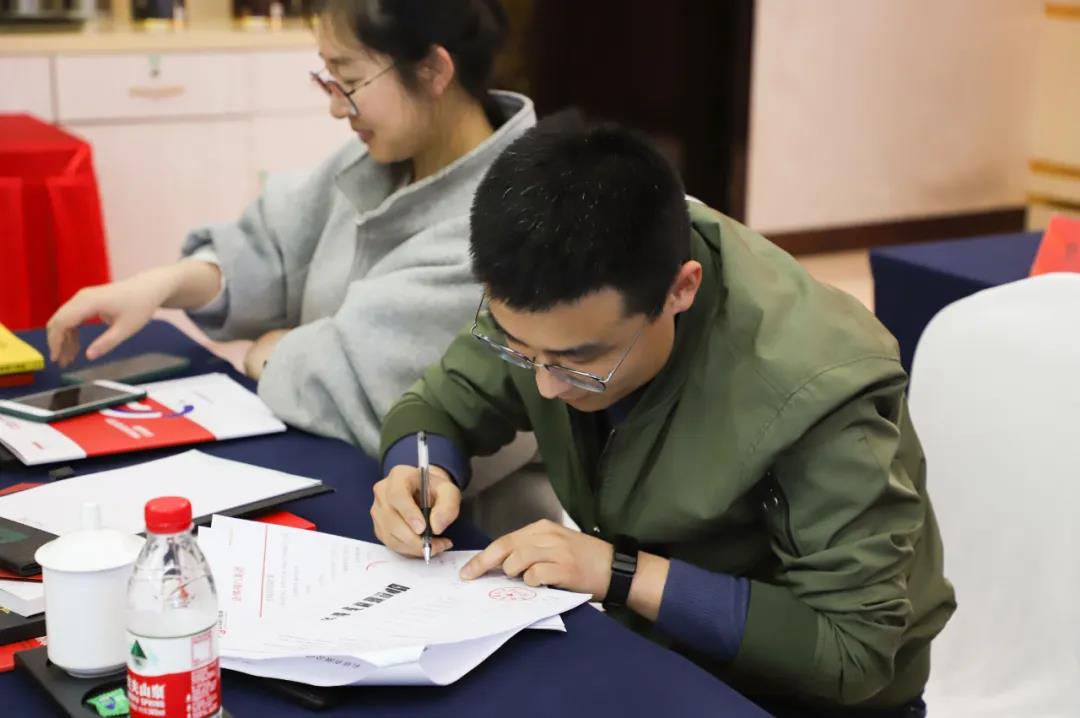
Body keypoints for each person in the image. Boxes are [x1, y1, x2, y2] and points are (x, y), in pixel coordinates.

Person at [369, 121, 956, 716]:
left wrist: (620, 574)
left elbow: (852, 651)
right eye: (521, 350)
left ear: (681, 290)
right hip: (657, 649)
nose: (545, 384)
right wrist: (417, 470)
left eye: (580, 361)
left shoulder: (815, 388)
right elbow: (438, 404)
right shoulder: (556, 294)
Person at [45, 0, 536, 455]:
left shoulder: (509, 217)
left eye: (349, 80)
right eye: (328, 79)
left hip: (436, 505)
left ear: (432, 70)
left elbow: (352, 385)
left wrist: (271, 353)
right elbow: (275, 253)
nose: (336, 107)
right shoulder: (380, 161)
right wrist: (163, 284)